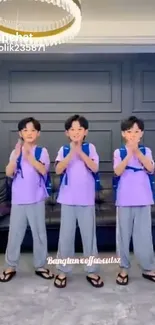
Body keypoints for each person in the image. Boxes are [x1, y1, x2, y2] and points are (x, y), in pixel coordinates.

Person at [0, 117, 54, 282]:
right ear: (20, 133)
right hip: (18, 200)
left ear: (38, 133)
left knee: (39, 234)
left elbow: (43, 170)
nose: (29, 133)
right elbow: (9, 172)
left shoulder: (41, 151)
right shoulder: (15, 152)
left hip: (36, 199)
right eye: (25, 130)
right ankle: (10, 266)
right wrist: (17, 155)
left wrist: (28, 155)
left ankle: (40, 266)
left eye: (32, 130)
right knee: (14, 234)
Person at [53, 114, 104, 288]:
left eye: (79, 129)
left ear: (85, 132)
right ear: (67, 132)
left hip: (86, 200)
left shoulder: (90, 148)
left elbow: (95, 167)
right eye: (72, 129)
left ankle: (91, 270)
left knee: (89, 237)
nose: (76, 132)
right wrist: (72, 152)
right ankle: (63, 270)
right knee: (66, 236)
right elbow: (58, 169)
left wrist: (80, 151)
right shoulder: (63, 149)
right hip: (67, 199)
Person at [113, 116, 155, 285]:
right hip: (124, 199)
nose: (133, 135)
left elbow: (151, 167)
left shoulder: (146, 151)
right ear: (124, 134)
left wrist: (137, 152)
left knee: (144, 236)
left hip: (143, 198)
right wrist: (130, 153)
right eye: (129, 132)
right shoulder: (119, 152)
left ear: (141, 133)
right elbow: (117, 171)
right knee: (123, 236)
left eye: (137, 132)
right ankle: (123, 268)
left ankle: (148, 267)